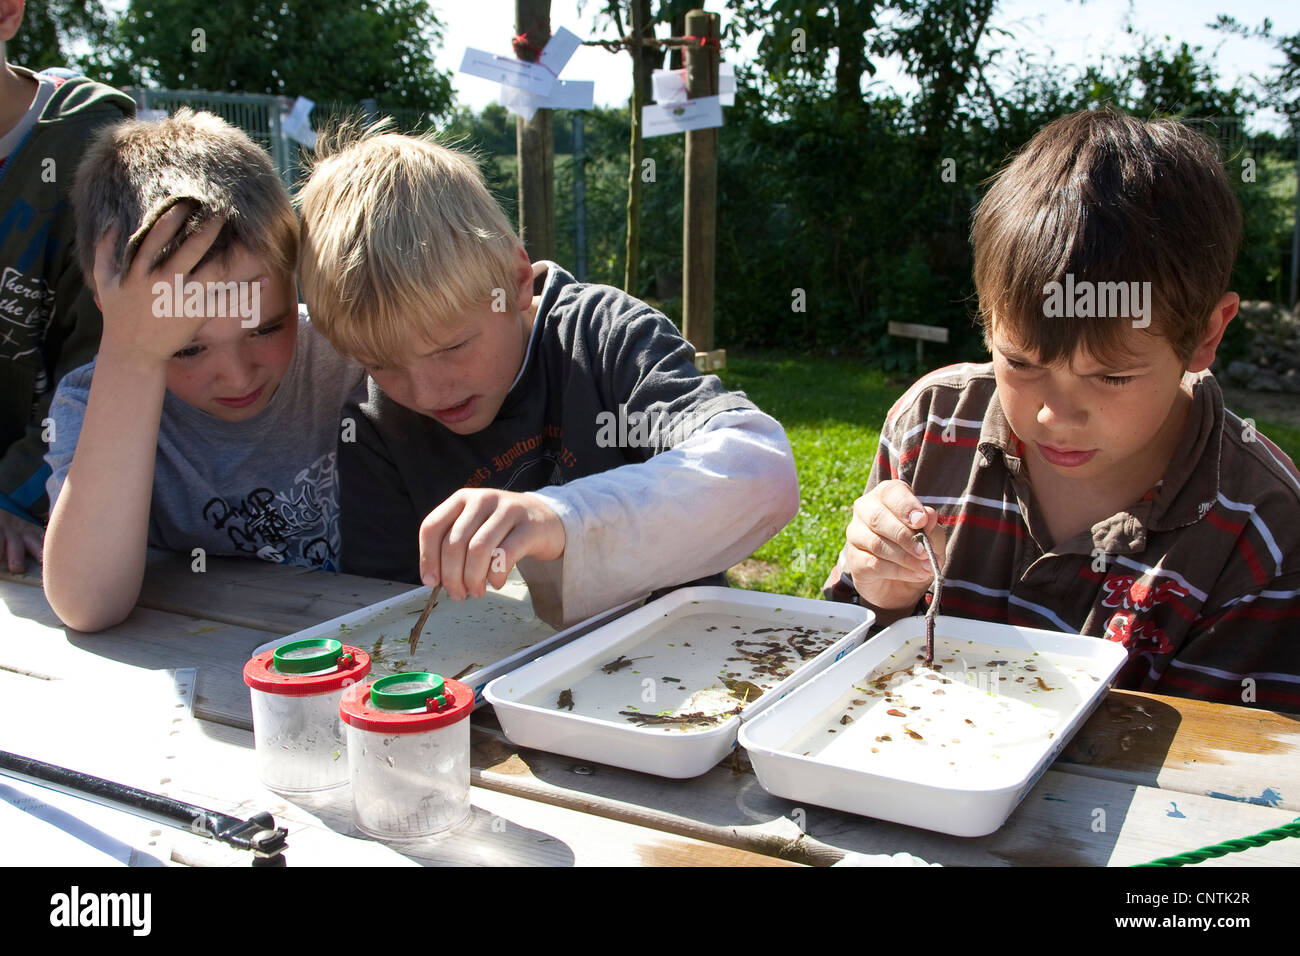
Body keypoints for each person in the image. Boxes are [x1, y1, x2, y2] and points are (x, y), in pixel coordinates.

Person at [826, 109, 1300, 710]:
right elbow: (842, 662)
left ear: (1207, 334)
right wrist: (879, 592)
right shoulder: (932, 431)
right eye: (1021, 363)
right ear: (987, 317)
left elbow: (1231, 770)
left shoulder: (1262, 530)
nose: (1054, 415)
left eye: (1112, 376)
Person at [296, 129, 799, 628]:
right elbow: (387, 616)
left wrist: (557, 518)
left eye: (451, 347)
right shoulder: (374, 425)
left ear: (515, 282)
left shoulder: (606, 338)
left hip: (687, 659)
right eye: (381, 363)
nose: (426, 392)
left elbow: (762, 471)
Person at [42, 109, 364, 632]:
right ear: (113, 314)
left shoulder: (346, 351)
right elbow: (87, 603)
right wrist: (133, 358)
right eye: (186, 350)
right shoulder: (92, 401)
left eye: (266, 328)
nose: (237, 378)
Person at [0, 0, 134, 572]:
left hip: (54, 507)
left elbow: (108, 361)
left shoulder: (88, 145)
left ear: (7, 13)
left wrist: (13, 494)